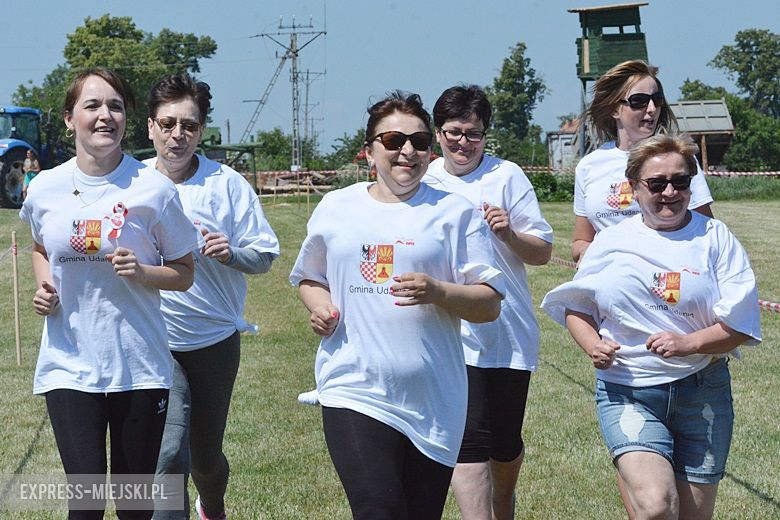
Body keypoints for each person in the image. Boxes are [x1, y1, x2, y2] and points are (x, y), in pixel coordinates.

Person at [290, 91, 505, 519]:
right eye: (392, 141)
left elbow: (489, 303)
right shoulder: (337, 208)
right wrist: (320, 306)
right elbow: (310, 276)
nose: (407, 151)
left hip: (433, 397)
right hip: (354, 386)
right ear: (369, 150)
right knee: (378, 508)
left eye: (419, 142)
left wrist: (438, 291)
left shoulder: (455, 212)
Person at [542, 134, 761, 520]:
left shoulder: (715, 238)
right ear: (633, 189)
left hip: (702, 389)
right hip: (629, 391)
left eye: (680, 181)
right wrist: (592, 344)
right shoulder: (610, 243)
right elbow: (576, 307)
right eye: (657, 184)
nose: (669, 192)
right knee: (657, 505)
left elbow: (741, 324)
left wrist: (690, 342)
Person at [19, 67, 199, 520]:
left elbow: (184, 272)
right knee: (85, 503)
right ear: (69, 118)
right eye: (92, 106)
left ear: (127, 118)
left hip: (138, 366)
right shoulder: (44, 189)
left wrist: (142, 272)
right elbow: (42, 247)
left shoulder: (153, 189)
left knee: (134, 507)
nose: (105, 116)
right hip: (68, 364)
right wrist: (45, 286)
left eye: (115, 106)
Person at [144, 73, 280, 520]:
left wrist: (231, 253)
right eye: (167, 124)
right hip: (153, 340)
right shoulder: (134, 183)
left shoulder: (227, 185)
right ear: (150, 127)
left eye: (188, 125)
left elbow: (264, 257)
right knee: (166, 456)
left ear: (202, 130)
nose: (177, 135)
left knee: (204, 457)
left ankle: (213, 506)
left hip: (214, 340)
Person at [423, 85, 552, 520]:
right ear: (437, 133)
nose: (463, 143)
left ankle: (504, 500)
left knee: (504, 443)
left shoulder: (506, 176)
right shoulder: (423, 180)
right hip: (448, 331)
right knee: (468, 438)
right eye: (454, 132)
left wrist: (509, 235)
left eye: (474, 134)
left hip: (506, 332)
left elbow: (543, 252)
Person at [572, 60, 714, 264]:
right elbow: (580, 241)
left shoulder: (677, 158)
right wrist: (587, 252)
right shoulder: (589, 166)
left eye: (657, 99)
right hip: (613, 281)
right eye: (639, 101)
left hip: (668, 278)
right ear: (614, 109)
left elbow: (707, 231)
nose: (651, 108)